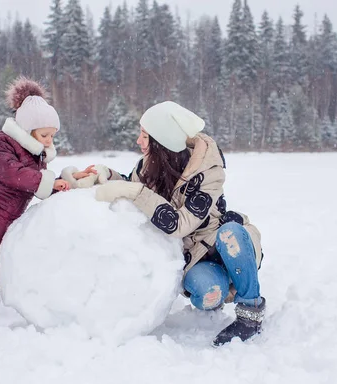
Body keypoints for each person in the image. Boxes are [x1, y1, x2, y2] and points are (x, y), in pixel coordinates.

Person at [68, 101, 265, 346]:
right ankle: (221, 285)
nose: (138, 141)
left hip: (224, 240)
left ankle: (250, 310)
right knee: (208, 294)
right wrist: (104, 175)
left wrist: (135, 191)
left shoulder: (208, 173)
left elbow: (180, 224)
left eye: (144, 136)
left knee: (230, 235)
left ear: (162, 142)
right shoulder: (150, 165)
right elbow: (133, 184)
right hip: (195, 256)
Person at [0, 77, 91, 334]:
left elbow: (38, 184)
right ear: (27, 129)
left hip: (2, 226)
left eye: (52, 136)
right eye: (44, 135)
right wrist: (48, 182)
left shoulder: (35, 158)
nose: (48, 140)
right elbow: (15, 175)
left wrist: (66, 181)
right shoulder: (3, 146)